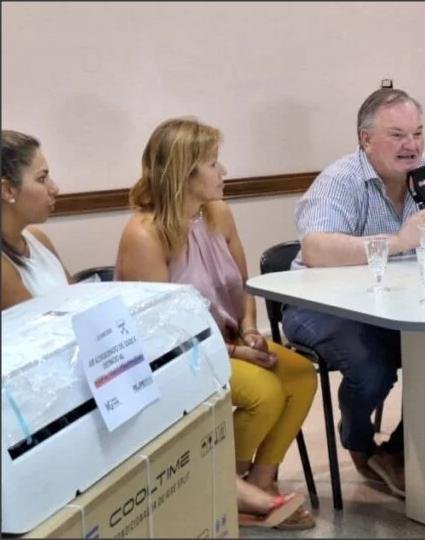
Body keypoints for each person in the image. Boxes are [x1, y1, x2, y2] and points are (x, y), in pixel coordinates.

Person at [115, 117, 317, 529]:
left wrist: (249, 330)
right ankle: (218, 484)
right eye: (212, 163)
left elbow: (242, 286)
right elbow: (162, 332)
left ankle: (258, 481)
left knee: (299, 374)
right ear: (183, 173)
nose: (223, 172)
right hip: (175, 357)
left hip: (223, 340)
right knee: (263, 391)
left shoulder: (218, 214)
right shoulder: (144, 234)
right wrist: (236, 351)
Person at [281, 88, 425, 498]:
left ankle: (401, 450)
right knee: (373, 367)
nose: (413, 146)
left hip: (392, 301)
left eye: (418, 133)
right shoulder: (342, 179)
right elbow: (315, 249)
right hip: (321, 305)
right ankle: (358, 440)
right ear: (365, 140)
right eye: (398, 135)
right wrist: (400, 241)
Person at [1, 130, 72, 310]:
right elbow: (38, 328)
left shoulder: (38, 238)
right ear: (7, 190)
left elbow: (78, 299)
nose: (54, 188)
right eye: (42, 179)